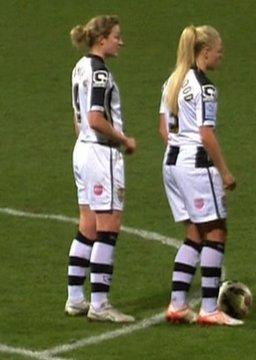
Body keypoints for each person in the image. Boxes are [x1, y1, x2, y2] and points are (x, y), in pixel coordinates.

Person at [159, 25, 242, 327]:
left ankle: (178, 305)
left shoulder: (172, 81)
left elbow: (163, 131)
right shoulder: (204, 87)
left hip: (171, 163)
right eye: (219, 51)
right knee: (216, 232)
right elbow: (206, 134)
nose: (221, 56)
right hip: (196, 165)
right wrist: (225, 172)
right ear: (205, 52)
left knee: (194, 233)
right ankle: (209, 308)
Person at [66, 15, 136, 323]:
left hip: (82, 150)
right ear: (102, 39)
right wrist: (124, 139)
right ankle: (100, 304)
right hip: (101, 154)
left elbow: (79, 120)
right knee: (107, 229)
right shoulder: (99, 74)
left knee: (88, 227)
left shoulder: (79, 67)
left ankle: (75, 298)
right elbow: (95, 118)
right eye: (117, 36)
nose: (121, 42)